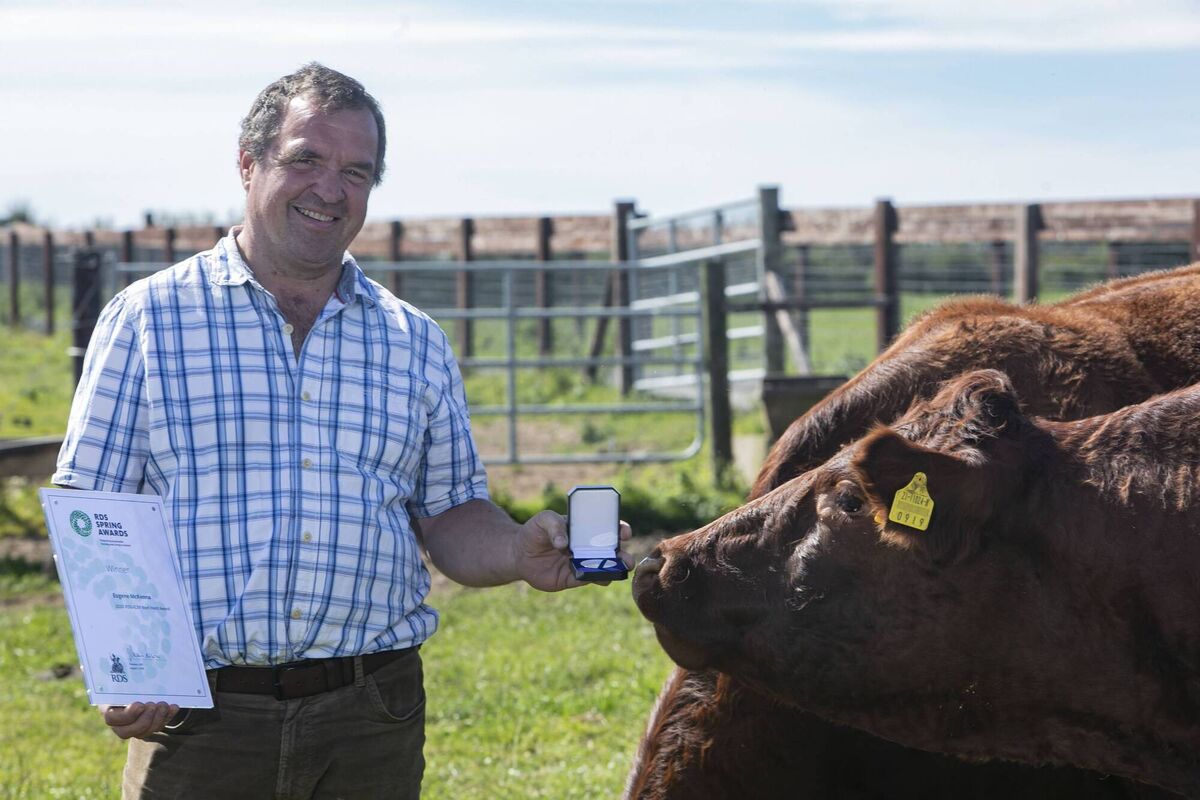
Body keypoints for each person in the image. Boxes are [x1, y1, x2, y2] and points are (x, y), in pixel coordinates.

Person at [53, 62, 632, 799]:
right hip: (202, 721)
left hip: (372, 720)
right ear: (247, 162)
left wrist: (519, 548)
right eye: (306, 159)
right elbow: (92, 507)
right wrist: (122, 660)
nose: (331, 188)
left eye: (357, 171)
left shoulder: (413, 340)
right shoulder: (149, 320)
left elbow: (451, 511)